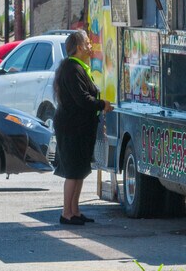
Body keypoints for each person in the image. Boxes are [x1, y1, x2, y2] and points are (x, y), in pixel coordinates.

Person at [53, 29, 113, 226]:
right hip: (72, 128)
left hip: (81, 127)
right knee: (72, 171)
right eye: (87, 43)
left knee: (80, 170)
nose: (90, 46)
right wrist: (102, 104)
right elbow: (82, 99)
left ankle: (75, 210)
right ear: (79, 47)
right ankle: (66, 213)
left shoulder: (78, 67)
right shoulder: (72, 69)